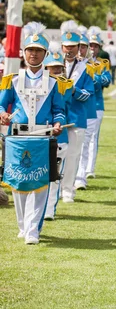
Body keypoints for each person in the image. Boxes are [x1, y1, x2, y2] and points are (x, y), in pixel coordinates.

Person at [0, 22, 67, 244]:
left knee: (40, 183)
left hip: (42, 137)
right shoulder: (13, 80)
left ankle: (33, 230)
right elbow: (2, 105)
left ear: (45, 54)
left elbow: (59, 111)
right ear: (24, 53)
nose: (33, 55)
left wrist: (58, 124)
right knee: (19, 183)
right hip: (17, 137)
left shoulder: (54, 83)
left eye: (38, 51)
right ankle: (23, 225)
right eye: (30, 50)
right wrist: (2, 114)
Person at [61, 21, 94, 202]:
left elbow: (88, 94)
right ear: (62, 47)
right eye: (67, 47)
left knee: (73, 156)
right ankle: (54, 188)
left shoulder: (85, 68)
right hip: (56, 117)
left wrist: (73, 89)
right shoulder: (53, 65)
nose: (70, 50)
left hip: (76, 117)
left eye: (73, 47)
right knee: (56, 155)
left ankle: (68, 190)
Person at [77, 27, 111, 186]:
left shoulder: (102, 63)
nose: (92, 48)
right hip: (77, 106)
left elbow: (106, 81)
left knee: (91, 139)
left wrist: (93, 74)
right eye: (89, 45)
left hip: (95, 104)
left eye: (95, 46)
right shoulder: (75, 63)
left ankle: (89, 169)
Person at [43, 40, 72, 221]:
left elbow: (61, 104)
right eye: (51, 68)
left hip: (59, 136)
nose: (54, 71)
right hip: (39, 135)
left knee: (54, 175)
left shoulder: (65, 84)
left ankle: (49, 210)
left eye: (58, 68)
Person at [74, 26, 99, 191]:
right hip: (68, 111)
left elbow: (95, 85)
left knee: (84, 145)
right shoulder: (64, 63)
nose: (82, 49)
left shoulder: (91, 65)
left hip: (87, 109)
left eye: (85, 46)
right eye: (80, 46)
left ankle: (80, 177)